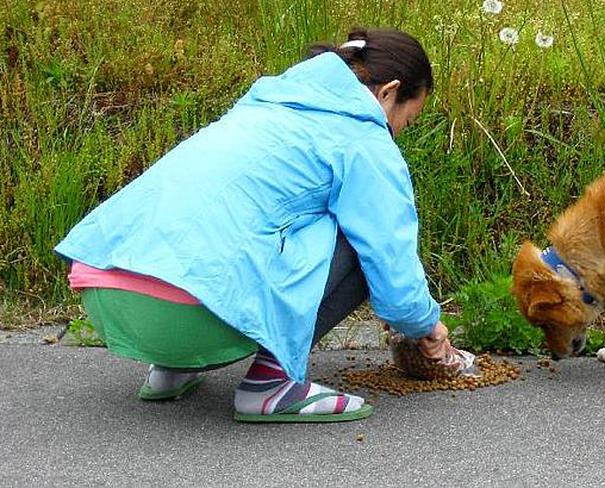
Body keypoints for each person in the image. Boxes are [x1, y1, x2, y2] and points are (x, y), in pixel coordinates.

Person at [55, 27, 458, 423]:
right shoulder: (363, 138)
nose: (400, 132)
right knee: (362, 238)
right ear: (388, 92)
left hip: (109, 299)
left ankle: (171, 368)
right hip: (193, 313)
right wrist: (426, 325)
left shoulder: (263, 105)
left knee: (227, 223)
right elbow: (390, 261)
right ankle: (271, 385)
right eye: (408, 118)